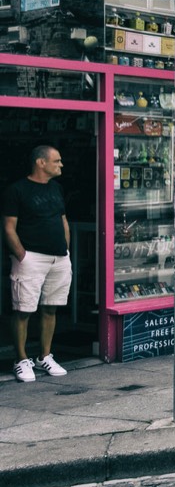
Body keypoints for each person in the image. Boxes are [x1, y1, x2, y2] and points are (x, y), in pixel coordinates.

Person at [3, 145, 71, 383]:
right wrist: (22, 255)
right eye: (57, 161)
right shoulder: (17, 190)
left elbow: (63, 220)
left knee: (51, 307)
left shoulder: (56, 189)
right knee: (23, 309)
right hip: (31, 258)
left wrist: (66, 250)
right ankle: (21, 359)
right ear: (41, 163)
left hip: (59, 257)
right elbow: (9, 227)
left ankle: (44, 356)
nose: (61, 165)